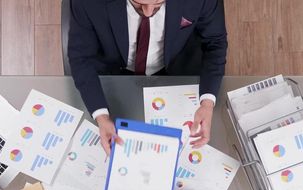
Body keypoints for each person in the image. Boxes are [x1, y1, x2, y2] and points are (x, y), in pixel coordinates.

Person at [68, 0, 228, 154]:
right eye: (138, 4)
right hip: (114, 73)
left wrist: (207, 102)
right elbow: (81, 57)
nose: (148, 12)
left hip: (176, 70)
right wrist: (101, 116)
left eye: (158, 3)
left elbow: (215, 42)